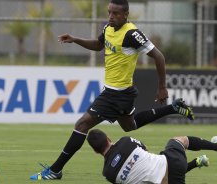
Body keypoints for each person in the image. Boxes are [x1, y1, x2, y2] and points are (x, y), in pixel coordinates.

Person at [30, 0, 194, 180]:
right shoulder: (109, 27)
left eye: (115, 13)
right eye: (109, 12)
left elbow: (159, 56)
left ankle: (55, 170)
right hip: (118, 93)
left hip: (116, 94)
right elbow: (98, 45)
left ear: (126, 15)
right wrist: (76, 40)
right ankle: (174, 108)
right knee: (129, 125)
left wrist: (162, 86)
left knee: (82, 125)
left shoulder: (132, 33)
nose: (111, 16)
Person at [87, 129, 217, 184]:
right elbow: (145, 148)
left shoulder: (108, 174)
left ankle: (197, 162)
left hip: (167, 181)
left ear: (95, 151)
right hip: (173, 163)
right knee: (178, 140)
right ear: (108, 139)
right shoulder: (125, 141)